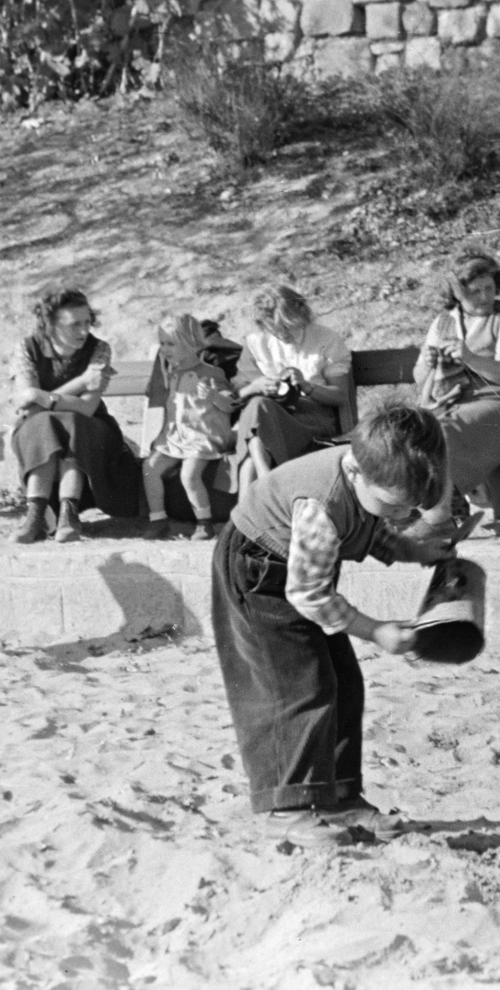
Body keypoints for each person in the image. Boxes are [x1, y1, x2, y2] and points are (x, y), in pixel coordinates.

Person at [211, 404, 456, 849]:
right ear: (357, 470)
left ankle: (340, 795)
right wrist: (374, 629)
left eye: (410, 510)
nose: (401, 516)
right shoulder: (319, 507)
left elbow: (365, 523)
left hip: (299, 569)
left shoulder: (367, 483)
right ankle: (283, 806)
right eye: (394, 506)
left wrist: (411, 550)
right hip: (259, 572)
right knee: (297, 687)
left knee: (343, 681)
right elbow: (310, 596)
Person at [409, 252, 500, 536]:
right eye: (474, 291)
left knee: (444, 430)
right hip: (455, 404)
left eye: (489, 288)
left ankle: (441, 515)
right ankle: (430, 508)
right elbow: (420, 377)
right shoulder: (444, 322)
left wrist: (470, 358)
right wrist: (428, 365)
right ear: (458, 293)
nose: (484, 297)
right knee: (415, 432)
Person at [8, 287, 142, 543]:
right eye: (74, 325)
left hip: (91, 428)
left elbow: (87, 408)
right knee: (44, 423)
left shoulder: (99, 349)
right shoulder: (27, 348)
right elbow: (31, 410)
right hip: (38, 430)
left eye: (87, 322)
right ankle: (35, 515)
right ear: (51, 325)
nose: (84, 331)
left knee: (71, 422)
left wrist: (42, 396)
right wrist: (81, 381)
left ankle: (69, 514)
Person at [230, 285, 352, 496]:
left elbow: (340, 396)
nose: (282, 335)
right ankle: (264, 478)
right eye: (274, 330)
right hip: (271, 419)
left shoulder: (326, 339)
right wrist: (256, 386)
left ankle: (251, 507)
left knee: (255, 439)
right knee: (258, 408)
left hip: (314, 419)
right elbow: (237, 395)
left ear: (301, 315)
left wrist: (307, 386)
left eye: (287, 327)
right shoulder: (255, 342)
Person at [143, 314, 236, 542]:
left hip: (202, 434)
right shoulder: (172, 373)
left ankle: (204, 522)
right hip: (177, 435)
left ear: (191, 343)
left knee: (189, 474)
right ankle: (158, 519)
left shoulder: (212, 373)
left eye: (171, 344)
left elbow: (230, 404)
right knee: (150, 468)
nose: (164, 350)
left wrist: (213, 396)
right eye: (162, 344)